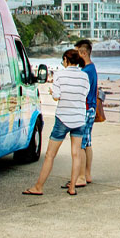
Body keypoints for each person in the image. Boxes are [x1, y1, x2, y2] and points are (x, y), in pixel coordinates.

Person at [23, 49, 89, 196]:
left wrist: (53, 93)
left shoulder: (60, 75)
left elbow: (57, 96)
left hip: (63, 118)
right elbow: (84, 94)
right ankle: (72, 187)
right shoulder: (84, 76)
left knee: (50, 155)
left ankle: (38, 187)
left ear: (66, 59)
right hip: (79, 118)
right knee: (76, 154)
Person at [74, 39, 97, 187]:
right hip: (92, 108)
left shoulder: (85, 72)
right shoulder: (92, 68)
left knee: (81, 144)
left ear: (83, 53)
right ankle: (87, 174)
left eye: (77, 53)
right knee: (87, 142)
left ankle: (81, 177)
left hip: (85, 108)